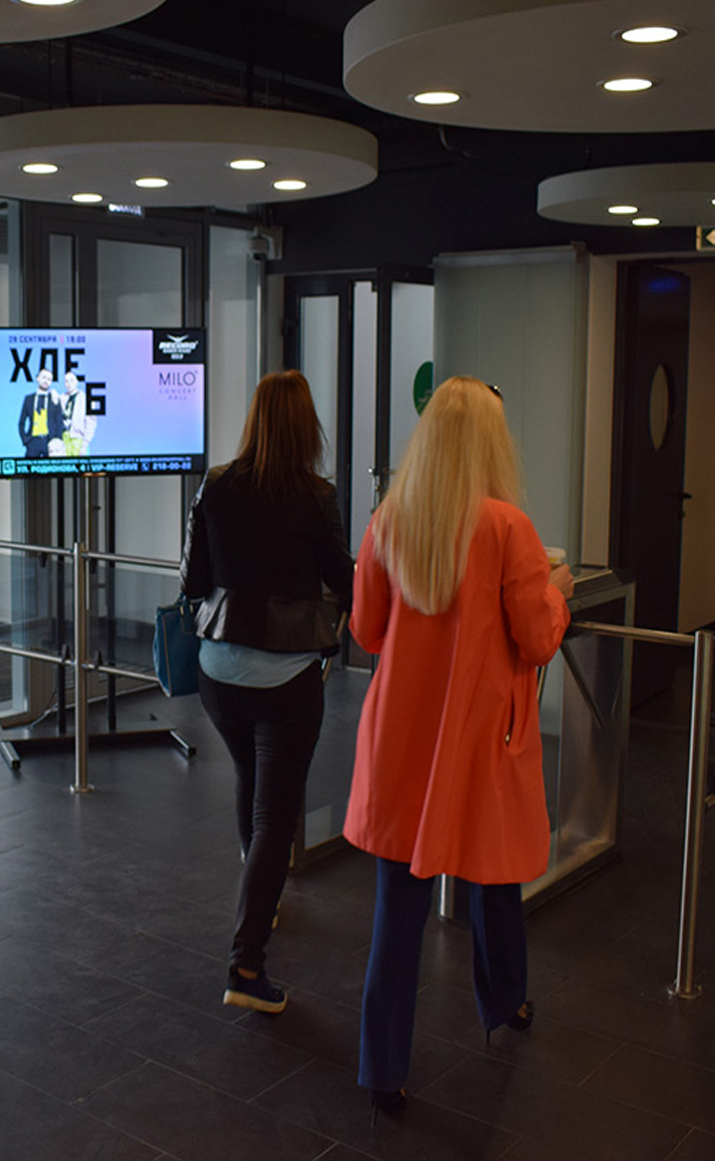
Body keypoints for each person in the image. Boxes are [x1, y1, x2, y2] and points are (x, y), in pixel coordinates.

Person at [342, 376, 575, 1118]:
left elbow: (366, 631)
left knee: (396, 911)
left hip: (401, 741)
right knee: (493, 870)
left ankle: (382, 1072)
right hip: (480, 741)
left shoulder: (390, 519)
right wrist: (558, 589)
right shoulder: (508, 528)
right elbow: (537, 639)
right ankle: (504, 998)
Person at [181, 370, 354, 1015]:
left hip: (217, 676)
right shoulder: (316, 496)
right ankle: (246, 964)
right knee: (275, 817)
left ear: (255, 420)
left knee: (252, 786)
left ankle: (262, 901)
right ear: (308, 427)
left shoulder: (217, 483)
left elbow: (193, 580)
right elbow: (344, 581)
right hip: (285, 680)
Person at [17, 368, 61, 458]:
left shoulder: (54, 399)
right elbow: (21, 423)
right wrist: (26, 440)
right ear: (37, 378)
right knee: (28, 466)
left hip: (49, 442)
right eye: (44, 377)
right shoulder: (28, 399)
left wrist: (57, 442)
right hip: (32, 441)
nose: (46, 381)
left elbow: (59, 422)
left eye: (49, 379)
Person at [53, 370, 94, 457]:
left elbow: (91, 423)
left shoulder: (85, 398)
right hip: (64, 438)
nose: (69, 384)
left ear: (76, 382)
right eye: (66, 381)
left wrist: (85, 443)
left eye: (71, 380)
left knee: (80, 463)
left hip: (79, 438)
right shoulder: (62, 398)